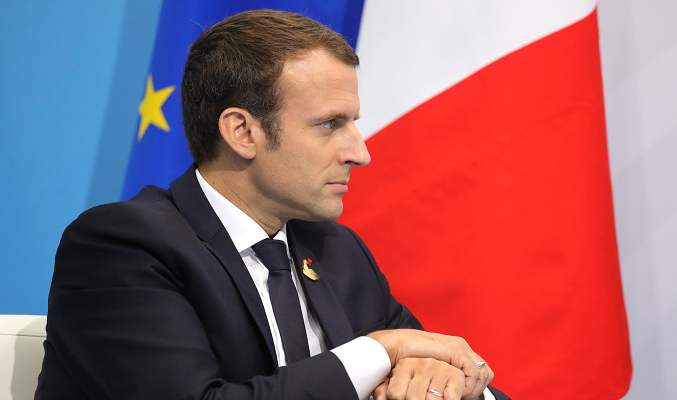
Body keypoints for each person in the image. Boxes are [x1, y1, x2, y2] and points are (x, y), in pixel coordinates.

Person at [36, 10, 509, 400]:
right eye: (330, 124)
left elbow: (433, 367)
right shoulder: (123, 247)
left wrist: (461, 387)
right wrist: (378, 351)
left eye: (353, 122)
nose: (360, 152)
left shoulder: (338, 252)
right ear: (243, 132)